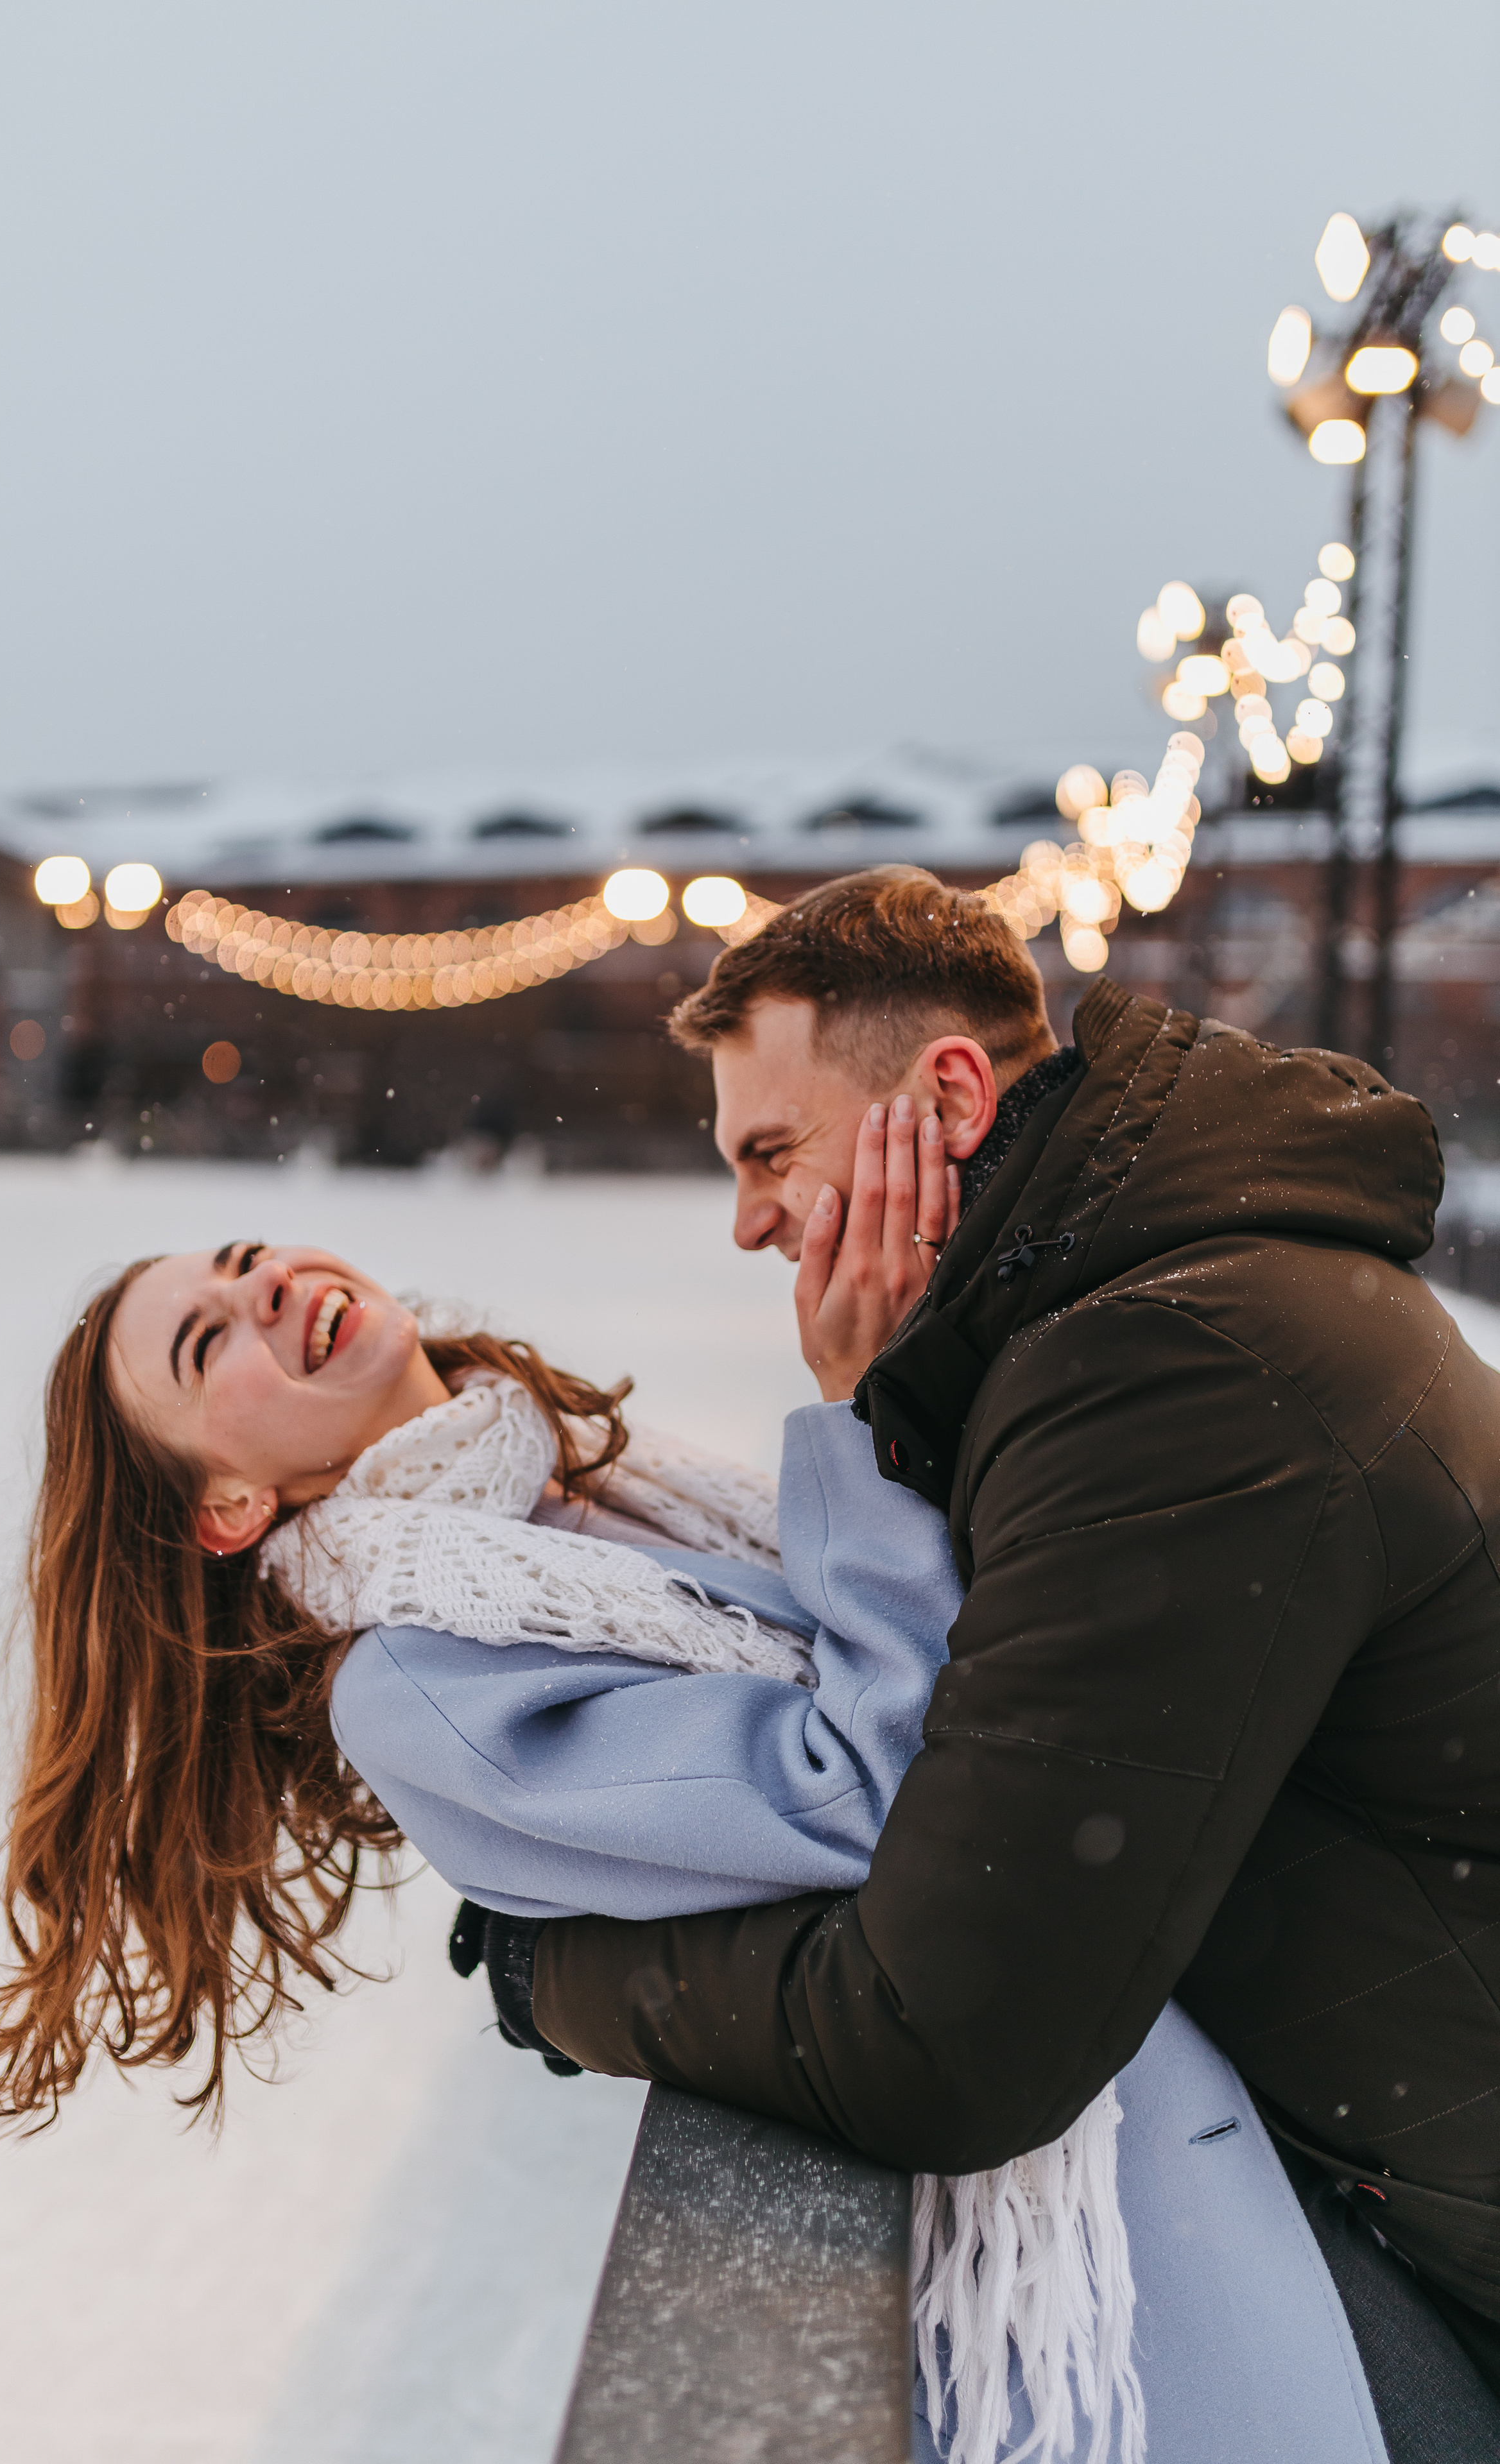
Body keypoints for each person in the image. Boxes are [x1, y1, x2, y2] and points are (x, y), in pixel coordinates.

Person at [0, 1222, 1384, 2458]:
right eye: (208, 1341)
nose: (265, 1287)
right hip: (1110, 2213)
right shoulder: (419, 1685)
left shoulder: (598, 1486)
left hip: (1223, 2030)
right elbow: (873, 1795)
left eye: (242, 1261)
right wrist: (853, 1414)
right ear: (226, 1507)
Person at [444, 863, 1500, 2457]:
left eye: (769, 1153)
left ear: (943, 1097)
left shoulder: (1166, 1373)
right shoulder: (1149, 1310)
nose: (744, 1223)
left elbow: (946, 2034)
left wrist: (555, 1976)